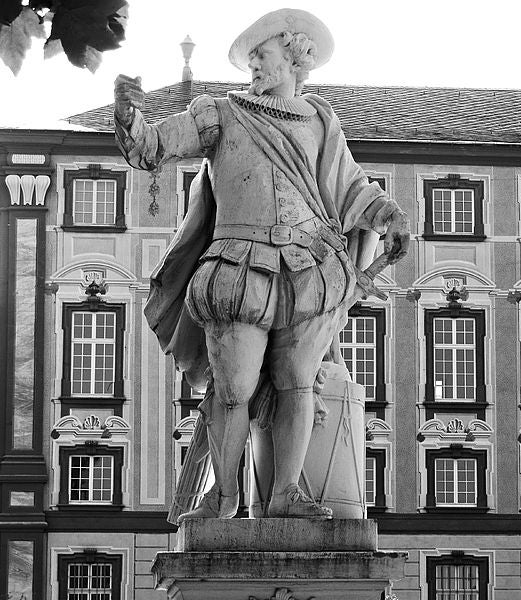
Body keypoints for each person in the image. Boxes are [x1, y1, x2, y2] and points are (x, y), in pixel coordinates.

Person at [114, 8, 410, 519]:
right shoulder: (219, 113)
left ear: (295, 56)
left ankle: (285, 494)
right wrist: (129, 119)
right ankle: (223, 496)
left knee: (298, 382)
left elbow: (349, 185)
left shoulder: (321, 119)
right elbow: (153, 148)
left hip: (309, 269)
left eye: (262, 55)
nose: (253, 66)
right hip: (238, 265)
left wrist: (389, 215)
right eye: (250, 59)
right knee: (233, 390)